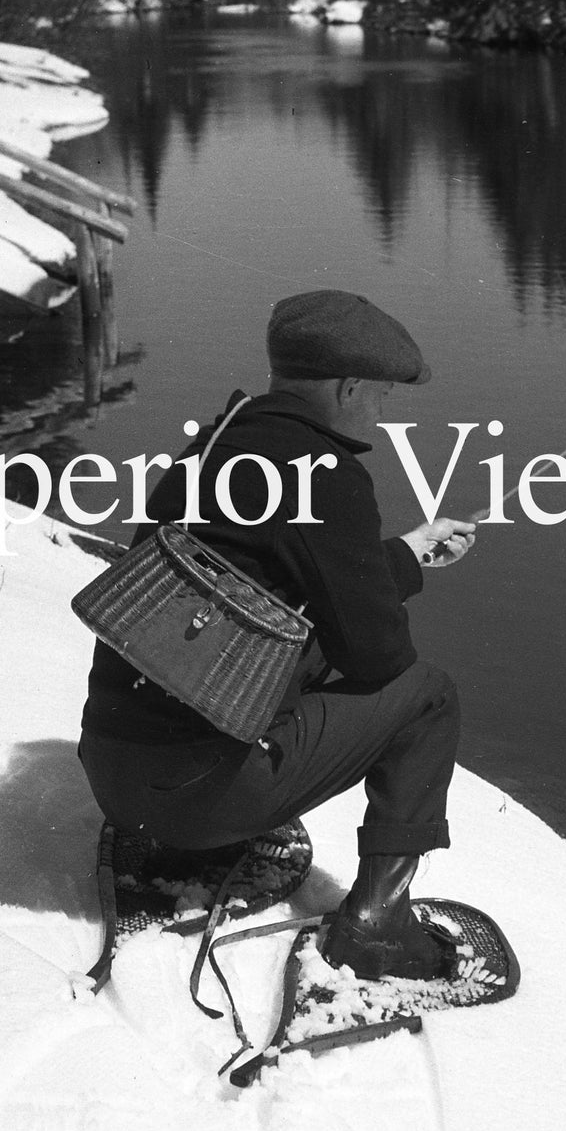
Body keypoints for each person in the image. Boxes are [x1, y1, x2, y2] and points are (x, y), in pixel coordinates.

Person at [77, 289, 476, 981]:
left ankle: (184, 838)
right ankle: (375, 927)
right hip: (198, 803)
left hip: (113, 775)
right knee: (427, 695)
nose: (379, 414)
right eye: (379, 397)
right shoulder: (328, 475)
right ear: (349, 386)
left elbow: (264, 574)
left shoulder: (219, 438)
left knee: (308, 652)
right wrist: (368, 599)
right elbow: (378, 657)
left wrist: (404, 557)